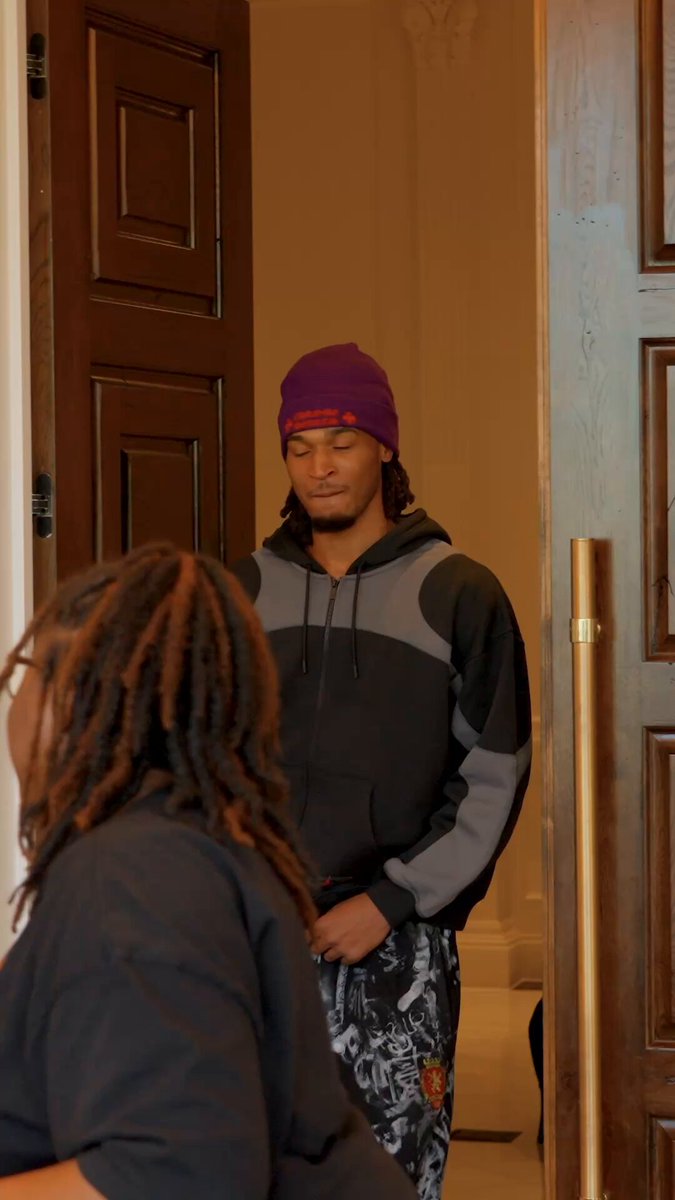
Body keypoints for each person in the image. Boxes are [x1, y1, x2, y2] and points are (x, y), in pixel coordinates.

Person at [0, 544, 416, 1200]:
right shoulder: (175, 850)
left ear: (72, 689)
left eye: (22, 670)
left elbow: (173, 1179)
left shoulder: (134, 874)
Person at [233, 342, 532, 1199]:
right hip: (261, 929)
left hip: (396, 939)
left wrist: (392, 901)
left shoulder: (458, 592)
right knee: (245, 1167)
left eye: (341, 441)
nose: (319, 467)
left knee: (392, 1179)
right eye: (299, 447)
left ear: (383, 448)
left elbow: (494, 772)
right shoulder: (241, 588)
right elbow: (204, 757)